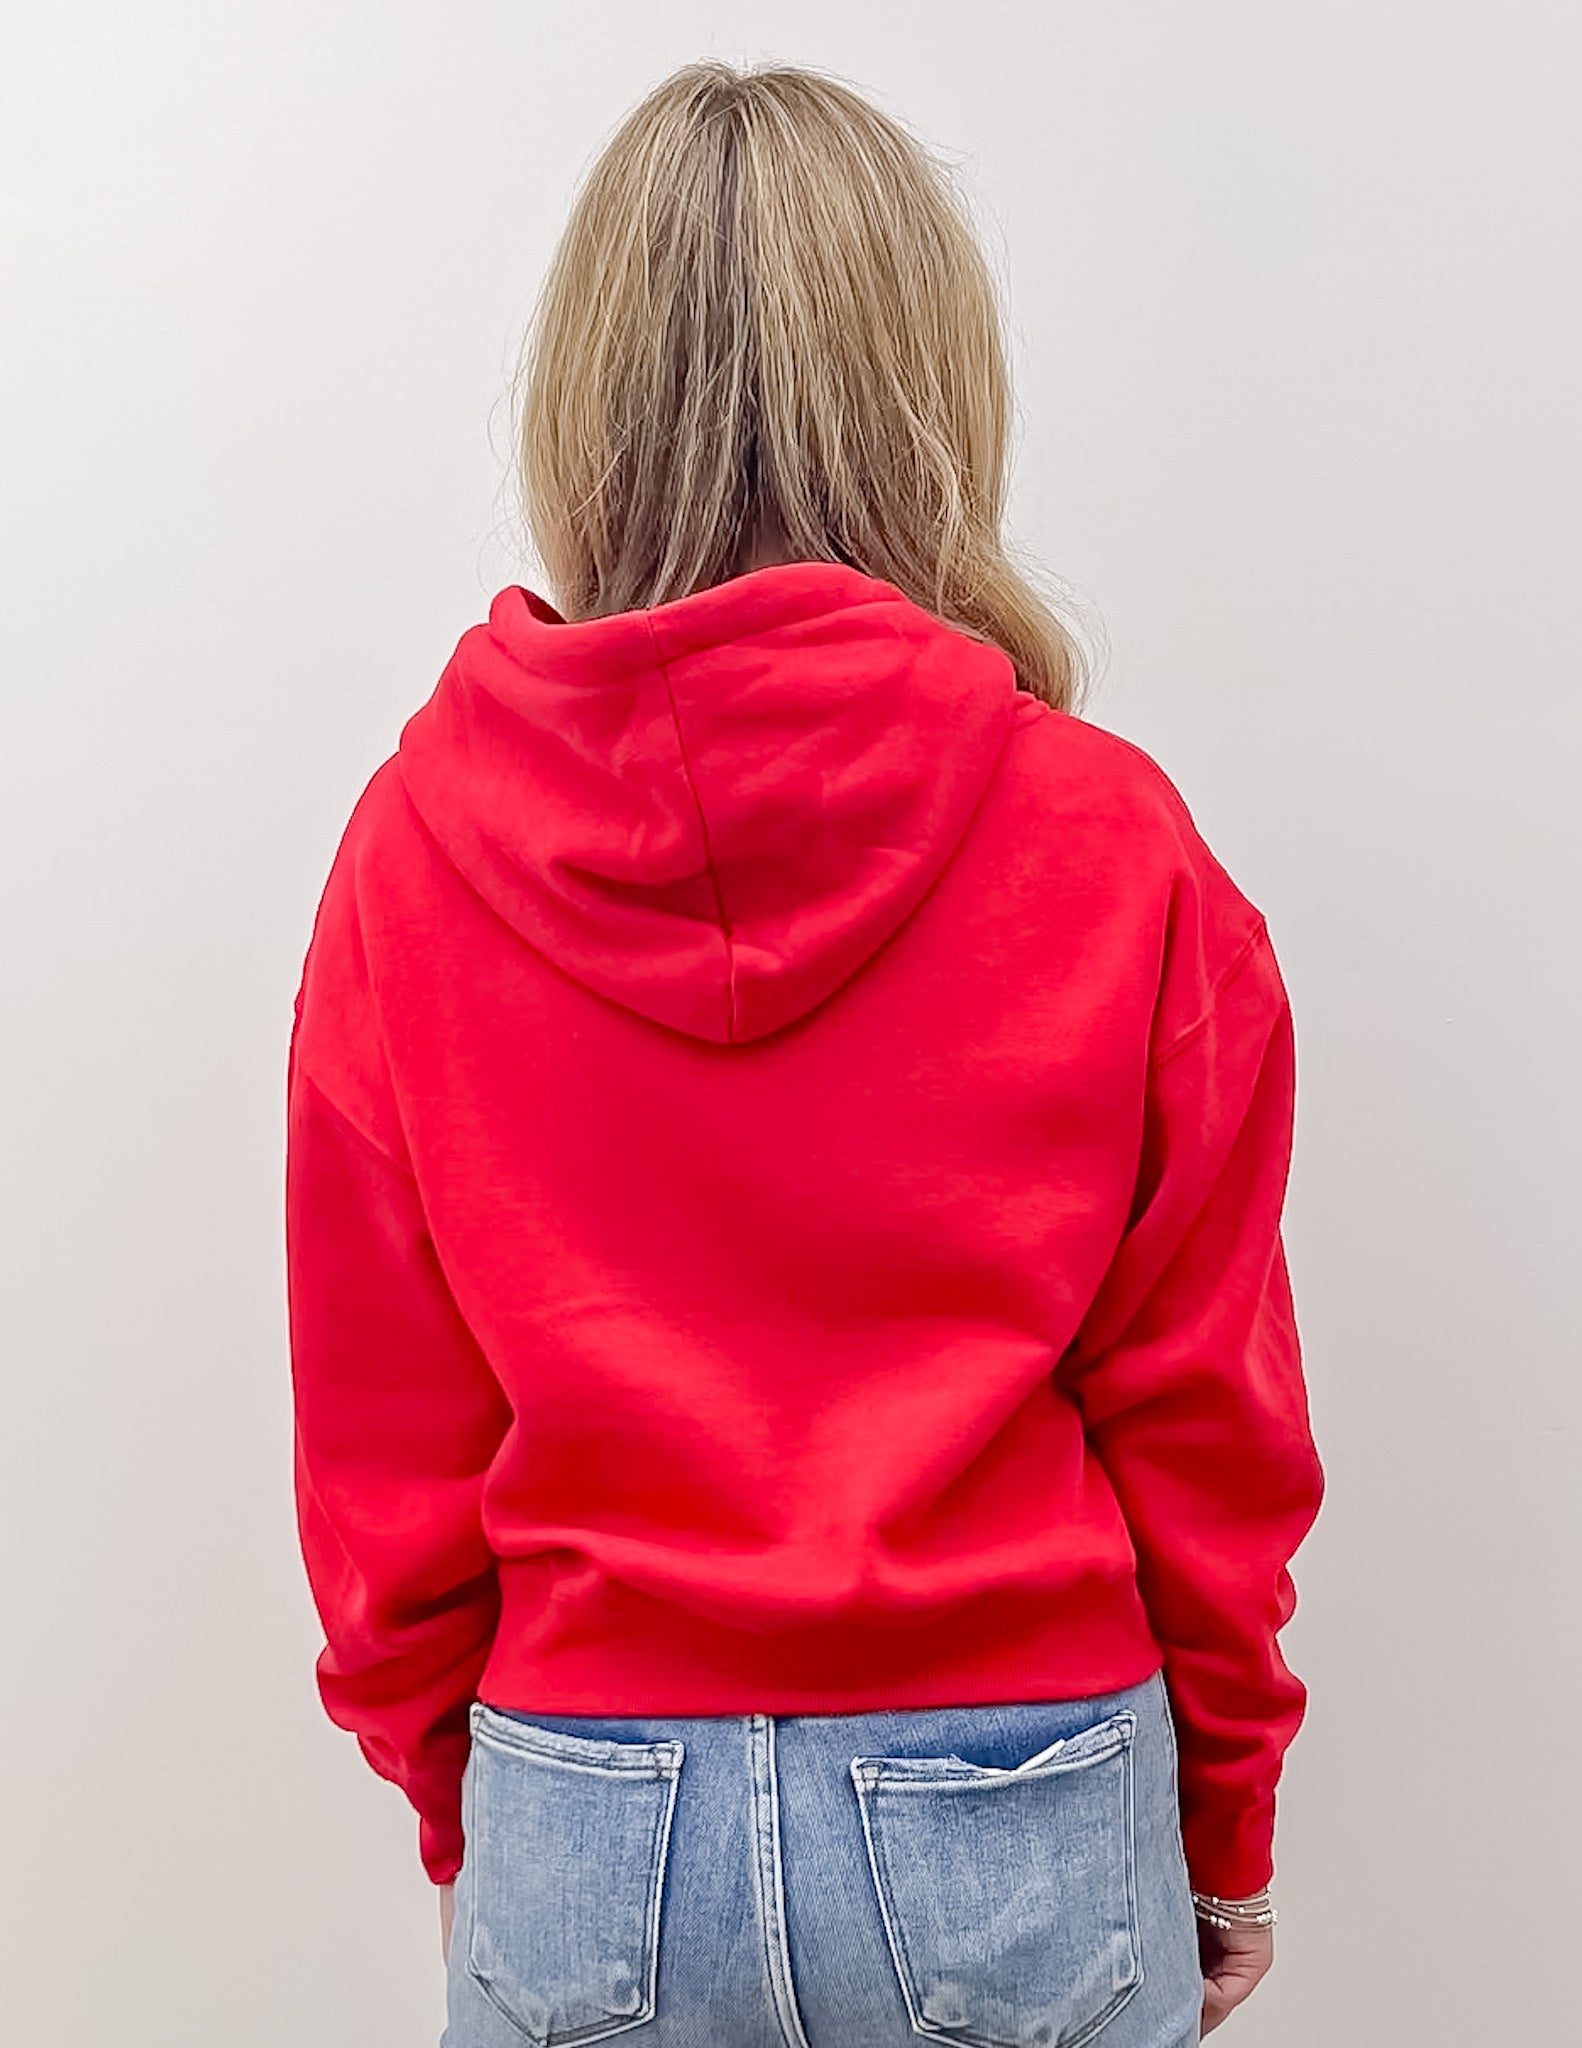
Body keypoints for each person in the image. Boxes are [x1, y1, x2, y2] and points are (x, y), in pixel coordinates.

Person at [285, 58, 1324, 2048]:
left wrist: (476, 1803)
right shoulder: (1107, 842)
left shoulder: (413, 851)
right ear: (927, 395)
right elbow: (1205, 1413)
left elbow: (377, 1432)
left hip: (587, 1787)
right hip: (1018, 1776)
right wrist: (1224, 1823)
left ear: (587, 403)